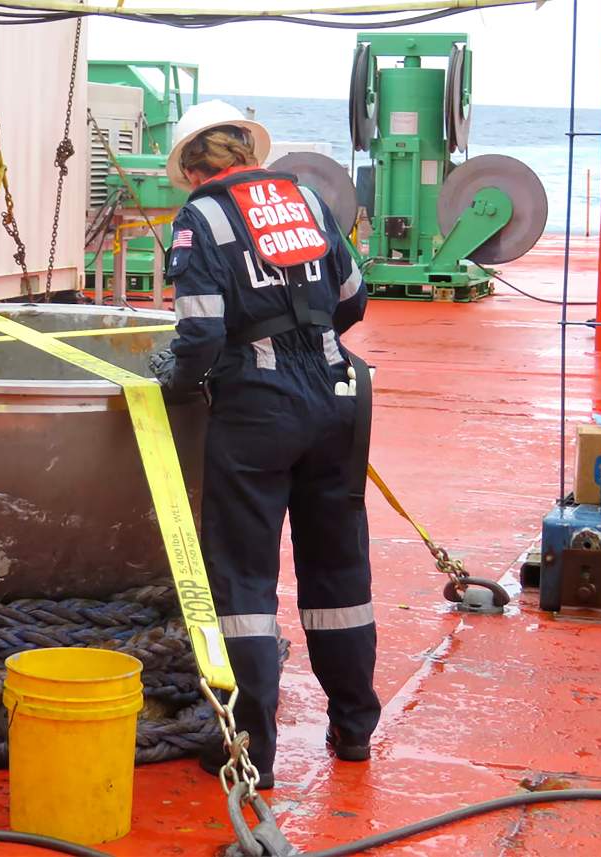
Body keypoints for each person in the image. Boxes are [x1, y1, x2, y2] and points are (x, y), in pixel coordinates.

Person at [150, 100, 380, 789]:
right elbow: (353, 300)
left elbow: (198, 333)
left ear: (194, 168)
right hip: (339, 401)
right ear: (249, 150)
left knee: (245, 583)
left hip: (257, 409)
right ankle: (355, 731)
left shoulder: (202, 216)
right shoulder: (306, 199)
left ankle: (252, 756)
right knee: (341, 573)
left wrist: (171, 386)